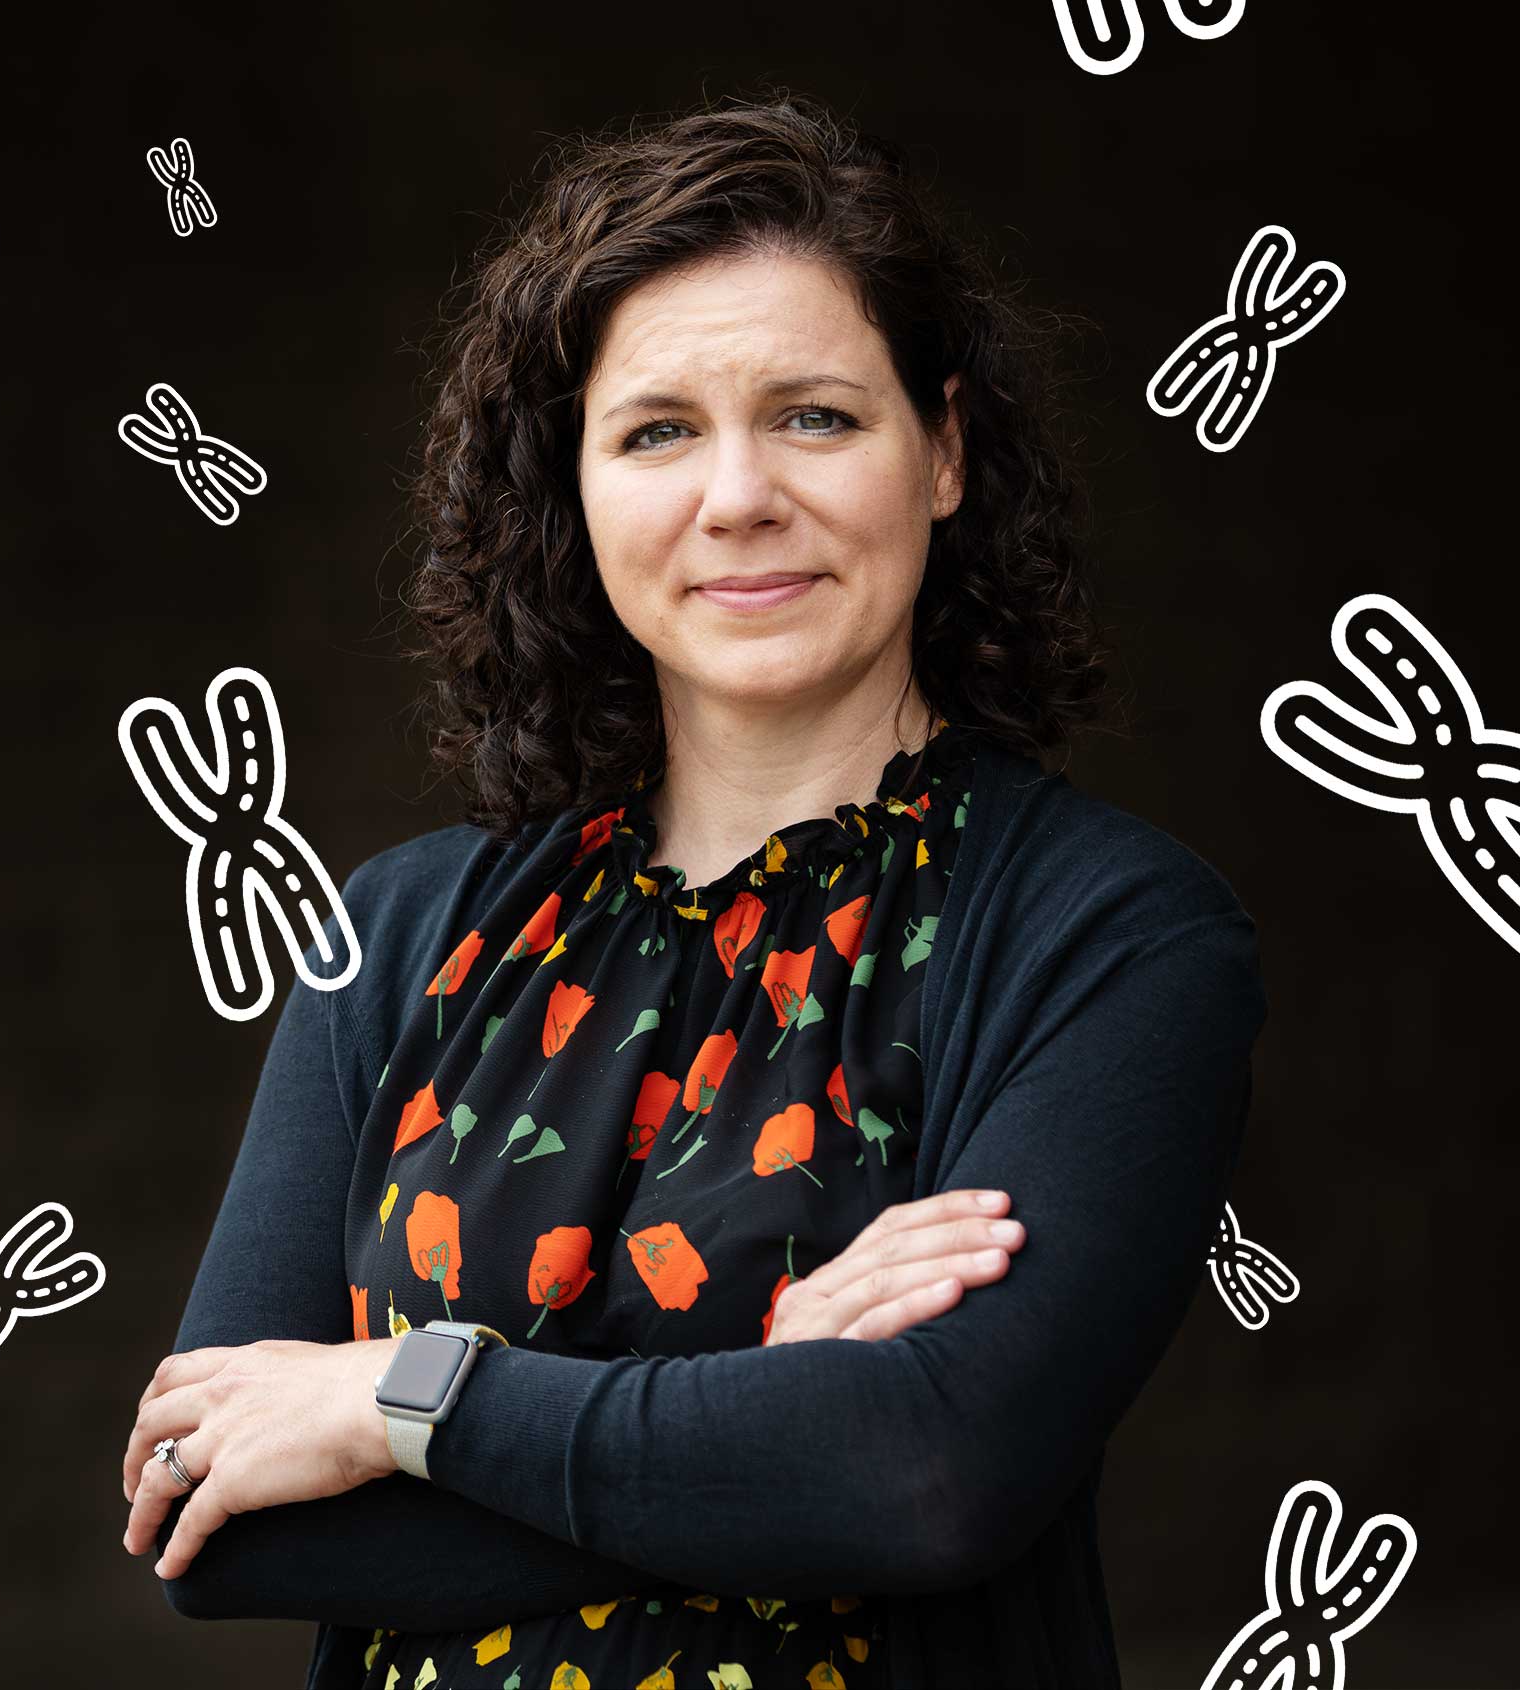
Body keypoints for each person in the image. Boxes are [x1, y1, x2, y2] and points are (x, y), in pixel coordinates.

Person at [119, 90, 1267, 1690]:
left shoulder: (1111, 932)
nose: (737, 496)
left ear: (942, 452)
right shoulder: (395, 934)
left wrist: (396, 1399)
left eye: (815, 416)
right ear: (574, 494)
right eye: (658, 429)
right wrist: (759, 1403)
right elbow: (216, 1519)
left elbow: (930, 1477)